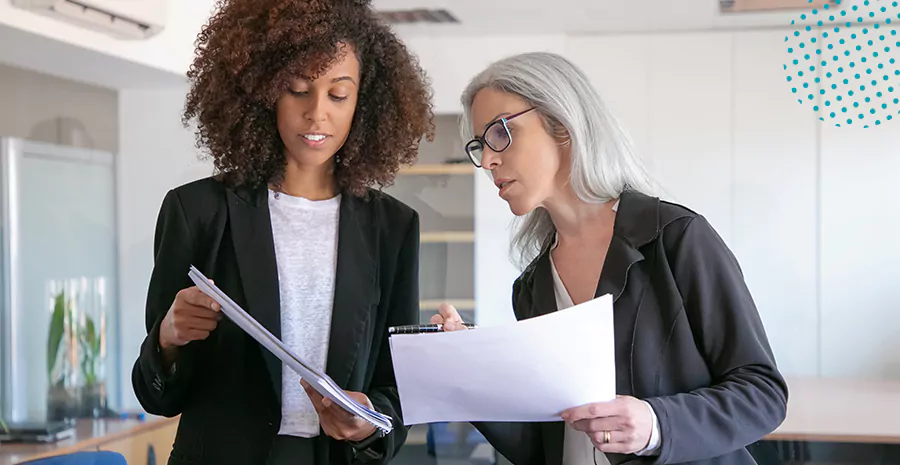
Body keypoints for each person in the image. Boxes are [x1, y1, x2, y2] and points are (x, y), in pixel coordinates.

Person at [432, 52, 788, 465]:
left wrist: (656, 425)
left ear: (561, 125)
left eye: (500, 133)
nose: (488, 160)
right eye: (480, 145)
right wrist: (466, 368)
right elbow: (547, 444)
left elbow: (763, 393)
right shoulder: (531, 288)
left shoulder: (676, 239)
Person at [131, 0, 433, 463]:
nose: (317, 114)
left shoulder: (392, 227)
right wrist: (168, 338)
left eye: (338, 94)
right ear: (263, 92)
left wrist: (368, 415)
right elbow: (157, 395)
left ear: (364, 103)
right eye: (297, 89)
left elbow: (398, 393)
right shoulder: (196, 212)